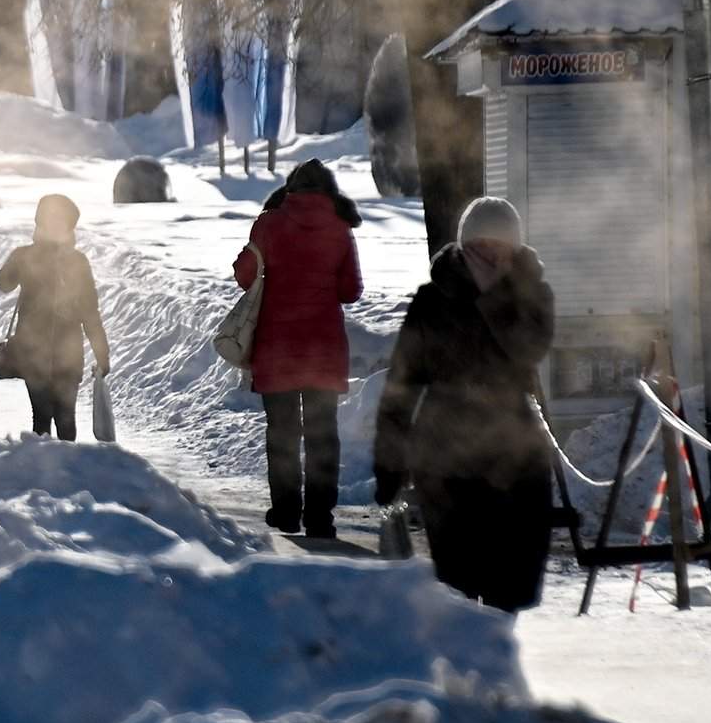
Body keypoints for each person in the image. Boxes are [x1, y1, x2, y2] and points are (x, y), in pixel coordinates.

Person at [373, 196, 555, 612]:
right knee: (456, 585)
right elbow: (401, 386)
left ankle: (494, 666)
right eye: (481, 247)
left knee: (508, 586)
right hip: (444, 457)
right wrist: (389, 464)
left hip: (514, 457)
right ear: (462, 248)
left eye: (501, 248)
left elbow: (528, 350)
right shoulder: (431, 302)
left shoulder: (534, 297)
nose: (491, 257)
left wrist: (493, 299)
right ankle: (460, 669)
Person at [234, 159, 364, 540]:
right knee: (323, 434)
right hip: (323, 351)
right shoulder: (340, 228)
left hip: (277, 349)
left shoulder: (269, 223)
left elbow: (245, 276)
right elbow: (351, 290)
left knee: (282, 433)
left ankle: (287, 512)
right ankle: (320, 518)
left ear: (291, 188)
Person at [0, 195, 110, 440]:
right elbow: (4, 283)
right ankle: (56, 472)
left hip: (62, 352)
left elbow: (90, 310)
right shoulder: (45, 258)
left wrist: (101, 352)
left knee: (60, 416)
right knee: (48, 415)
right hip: (37, 351)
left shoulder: (74, 262)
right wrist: (17, 261)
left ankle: (55, 472)